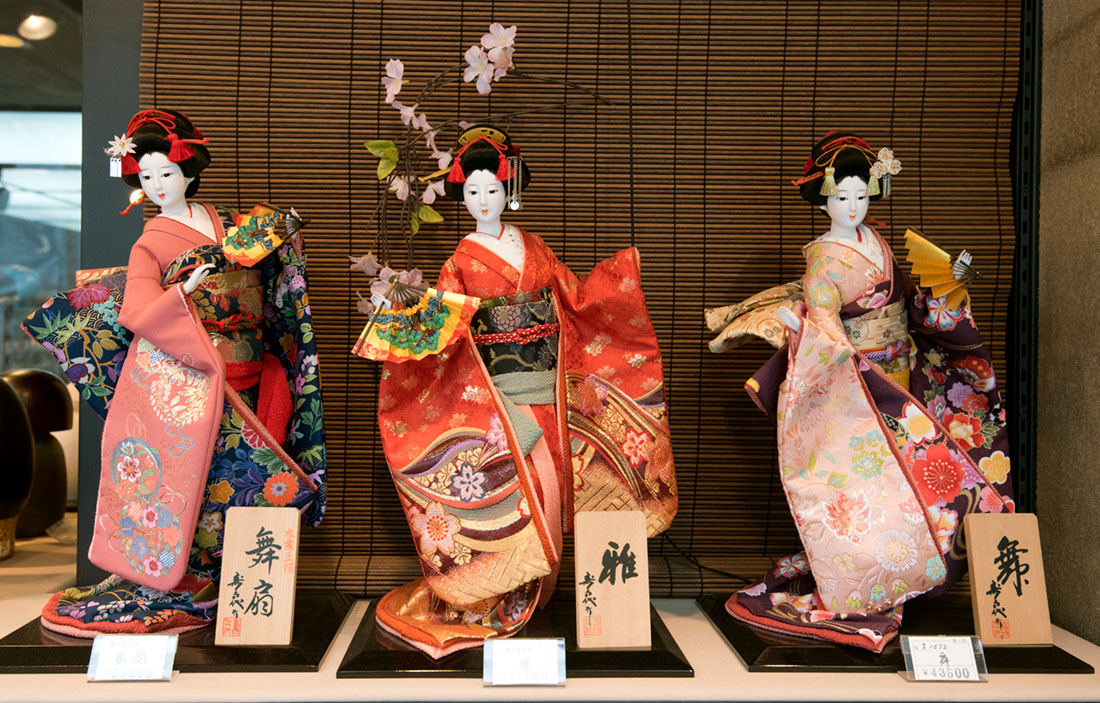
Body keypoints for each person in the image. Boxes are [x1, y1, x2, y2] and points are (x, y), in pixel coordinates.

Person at [371, 126, 677, 658]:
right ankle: (504, 593)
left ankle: (546, 590)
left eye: (492, 190)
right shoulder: (461, 261)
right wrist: (404, 328)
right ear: (461, 196)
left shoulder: (533, 247)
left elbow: (575, 300)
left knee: (558, 484)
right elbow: (446, 327)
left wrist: (615, 282)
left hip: (551, 387)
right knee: (522, 491)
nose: (483, 201)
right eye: (472, 192)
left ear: (510, 190)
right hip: (495, 394)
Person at [23, 109, 326, 636]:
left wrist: (284, 243)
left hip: (250, 365)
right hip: (191, 371)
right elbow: (138, 311)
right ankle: (183, 575)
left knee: (244, 474)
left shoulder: (232, 223)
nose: (158, 185)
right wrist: (185, 290)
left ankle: (232, 579)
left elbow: (272, 270)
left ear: (189, 172)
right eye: (146, 178)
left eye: (166, 173)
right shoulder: (150, 242)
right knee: (198, 477)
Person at [707, 132, 1013, 652]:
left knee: (940, 474)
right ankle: (873, 587)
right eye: (842, 197)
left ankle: (907, 582)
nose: (852, 206)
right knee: (881, 494)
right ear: (823, 199)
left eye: (861, 195)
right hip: (861, 388)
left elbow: (910, 300)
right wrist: (818, 341)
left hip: (904, 374)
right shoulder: (824, 260)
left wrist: (947, 287)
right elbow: (824, 321)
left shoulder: (877, 242)